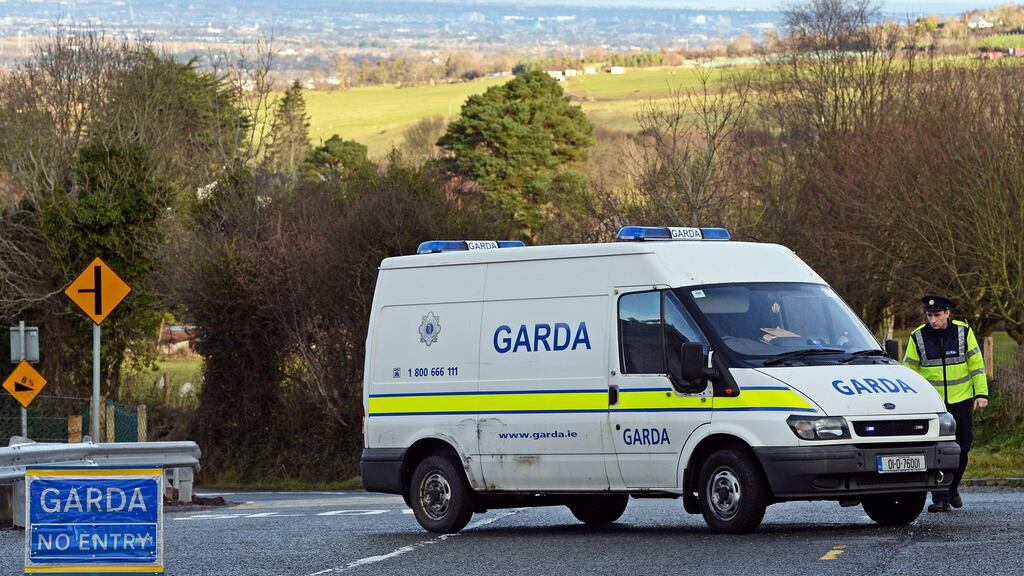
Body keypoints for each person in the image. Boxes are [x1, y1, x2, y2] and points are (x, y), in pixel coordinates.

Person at [902, 295, 988, 513]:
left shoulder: (963, 333)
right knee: (937, 451)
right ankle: (940, 498)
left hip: (961, 400)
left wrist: (981, 394)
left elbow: (976, 366)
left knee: (963, 447)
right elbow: (909, 371)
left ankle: (952, 488)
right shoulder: (917, 337)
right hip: (933, 405)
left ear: (947, 313)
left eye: (937, 315)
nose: (933, 320)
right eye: (929, 315)